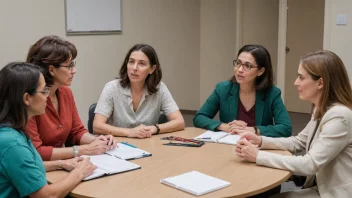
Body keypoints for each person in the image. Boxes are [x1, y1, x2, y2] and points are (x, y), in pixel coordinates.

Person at [236, 50, 352, 198]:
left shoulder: (339, 116)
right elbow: (298, 142)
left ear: (320, 83)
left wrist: (258, 156)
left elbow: (310, 164)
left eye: (301, 77)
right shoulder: (321, 108)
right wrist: (260, 140)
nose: (296, 82)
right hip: (320, 186)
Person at [0, 62, 96, 198]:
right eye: (44, 91)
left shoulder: (12, 130)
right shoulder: (12, 143)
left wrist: (61, 164)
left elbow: (25, 167)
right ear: (27, 98)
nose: (47, 95)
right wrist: (79, 172)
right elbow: (46, 196)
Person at [25, 35, 117, 165]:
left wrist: (97, 140)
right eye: (69, 66)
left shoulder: (65, 92)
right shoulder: (31, 100)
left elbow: (77, 132)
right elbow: (37, 151)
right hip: (40, 169)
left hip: (63, 165)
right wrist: (83, 149)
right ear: (51, 69)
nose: (74, 71)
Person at [193, 44, 292, 137]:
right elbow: (199, 117)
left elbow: (286, 128)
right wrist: (225, 127)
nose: (240, 69)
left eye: (247, 66)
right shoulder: (223, 89)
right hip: (229, 144)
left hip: (258, 148)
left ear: (260, 71)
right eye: (238, 63)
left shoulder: (272, 93)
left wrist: (252, 130)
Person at [93, 44, 185, 138]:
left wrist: (155, 128)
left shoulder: (159, 88)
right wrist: (129, 132)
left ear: (152, 69)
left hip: (147, 145)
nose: (134, 68)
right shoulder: (112, 87)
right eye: (131, 62)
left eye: (142, 63)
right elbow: (97, 126)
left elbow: (179, 122)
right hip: (117, 145)